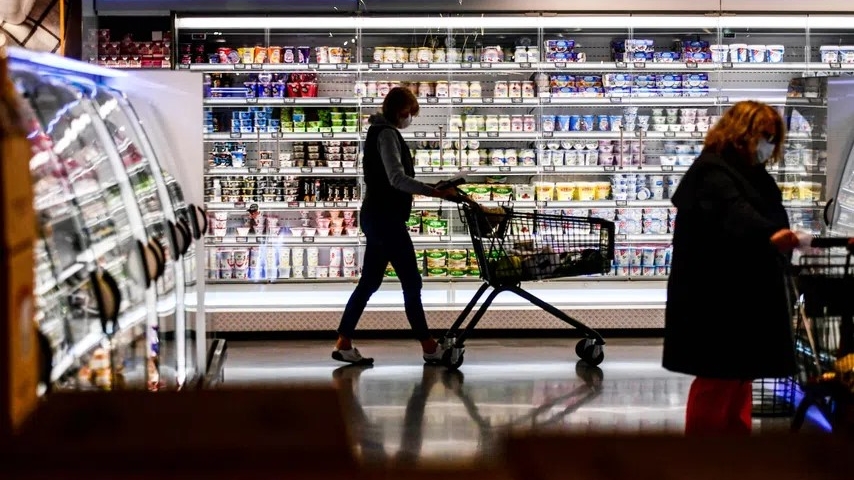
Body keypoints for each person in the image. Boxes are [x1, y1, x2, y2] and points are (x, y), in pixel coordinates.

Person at [662, 100, 803, 436]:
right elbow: (736, 215)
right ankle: (704, 456)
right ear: (741, 135)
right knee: (717, 377)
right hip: (715, 297)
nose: (768, 145)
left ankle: (734, 453)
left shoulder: (750, 174)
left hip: (742, 294)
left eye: (772, 137)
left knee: (739, 376)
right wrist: (771, 235)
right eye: (763, 136)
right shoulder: (712, 171)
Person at [333, 87, 460, 365]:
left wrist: (431, 189)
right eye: (407, 113)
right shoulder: (388, 134)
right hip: (386, 218)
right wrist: (435, 192)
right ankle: (429, 346)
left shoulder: (377, 131)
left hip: (377, 216)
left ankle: (343, 342)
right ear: (397, 111)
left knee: (369, 282)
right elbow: (396, 179)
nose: (409, 119)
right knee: (412, 282)